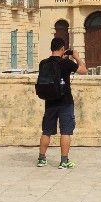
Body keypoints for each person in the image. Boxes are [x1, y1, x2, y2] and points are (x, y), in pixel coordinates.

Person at [37, 37, 86, 169]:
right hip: (65, 102)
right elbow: (84, 71)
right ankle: (64, 161)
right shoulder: (66, 64)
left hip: (50, 101)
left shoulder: (43, 63)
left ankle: (41, 159)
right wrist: (76, 57)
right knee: (65, 131)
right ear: (63, 49)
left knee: (46, 131)